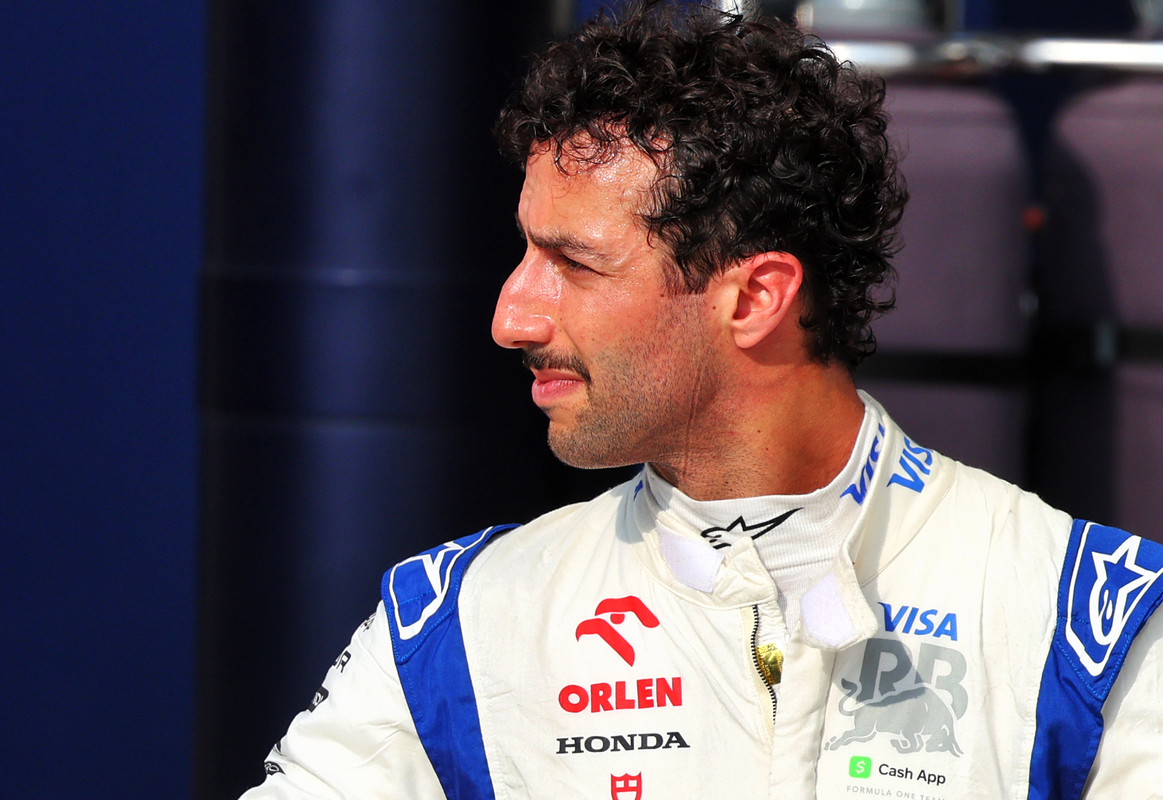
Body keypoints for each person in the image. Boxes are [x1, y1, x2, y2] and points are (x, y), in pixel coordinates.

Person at [240, 3, 1163, 798]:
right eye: (525, 253)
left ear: (754, 298)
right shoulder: (458, 627)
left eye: (574, 264)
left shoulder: (1089, 625)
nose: (510, 317)